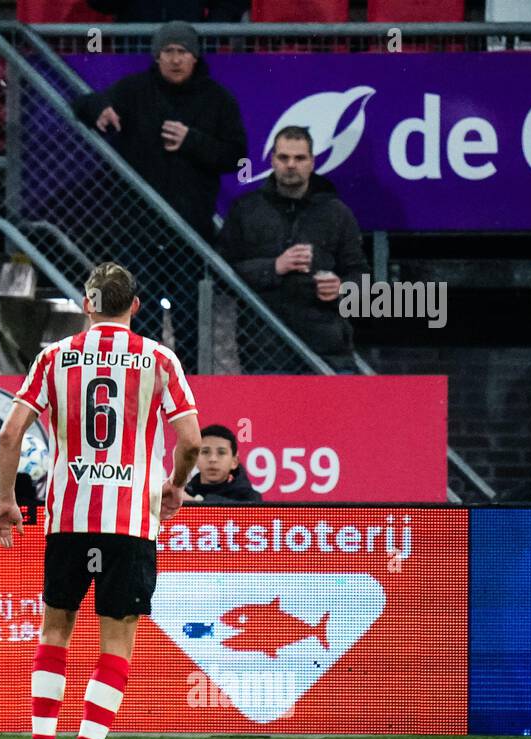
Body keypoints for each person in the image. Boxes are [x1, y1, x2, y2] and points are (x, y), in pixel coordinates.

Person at [0, 262, 201, 739]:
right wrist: (174, 484)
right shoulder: (159, 359)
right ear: (135, 306)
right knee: (116, 642)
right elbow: (192, 441)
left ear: (86, 304)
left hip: (68, 520)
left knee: (54, 630)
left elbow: (10, 433)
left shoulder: (53, 358)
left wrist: (6, 500)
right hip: (129, 522)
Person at [72, 21, 246, 357]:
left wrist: (191, 141)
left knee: (189, 323)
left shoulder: (217, 100)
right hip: (136, 230)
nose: (175, 59)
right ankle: (141, 390)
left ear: (195, 57)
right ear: (156, 56)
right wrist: (99, 108)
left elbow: (235, 154)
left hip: (189, 233)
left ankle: (188, 390)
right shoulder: (133, 91)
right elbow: (83, 103)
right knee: (139, 321)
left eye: (182, 52)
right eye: (168, 51)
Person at [216, 125, 369, 373]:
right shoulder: (246, 210)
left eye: (299, 158)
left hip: (327, 347)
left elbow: (361, 275)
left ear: (312, 162)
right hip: (264, 348)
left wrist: (341, 287)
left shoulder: (337, 213)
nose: (291, 165)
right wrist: (274, 267)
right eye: (283, 157)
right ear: (272, 160)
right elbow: (221, 274)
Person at [183, 423, 263, 503]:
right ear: (195, 459)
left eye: (221, 452)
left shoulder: (250, 498)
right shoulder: (183, 494)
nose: (212, 459)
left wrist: (194, 502)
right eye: (205, 452)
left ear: (234, 462)